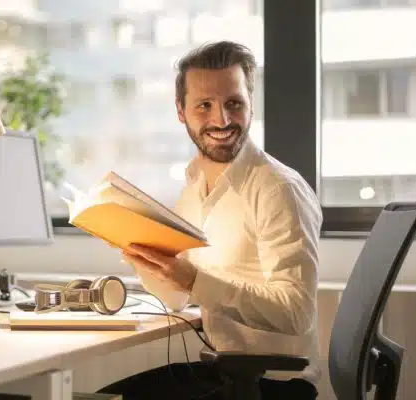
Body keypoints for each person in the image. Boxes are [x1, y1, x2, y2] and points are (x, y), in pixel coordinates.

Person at [97, 41, 322, 399]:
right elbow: (176, 300)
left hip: (274, 385)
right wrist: (140, 252)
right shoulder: (195, 186)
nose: (222, 120)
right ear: (181, 112)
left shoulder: (279, 189)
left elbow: (296, 313)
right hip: (225, 372)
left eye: (234, 103)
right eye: (204, 105)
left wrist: (196, 280)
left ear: (250, 104)